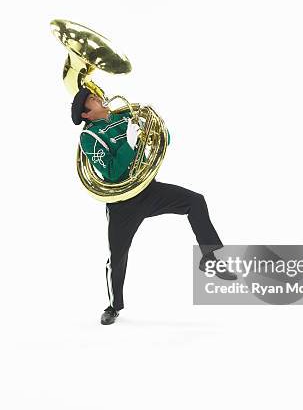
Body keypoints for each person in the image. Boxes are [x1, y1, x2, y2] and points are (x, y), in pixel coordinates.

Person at [72, 87, 236, 325]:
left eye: (95, 95)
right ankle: (113, 306)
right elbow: (112, 171)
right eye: (91, 99)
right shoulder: (89, 137)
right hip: (122, 203)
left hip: (148, 190)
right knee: (117, 257)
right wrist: (129, 143)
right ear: (85, 114)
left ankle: (209, 257)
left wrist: (159, 130)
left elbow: (163, 141)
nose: (98, 96)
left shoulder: (124, 117)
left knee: (195, 201)